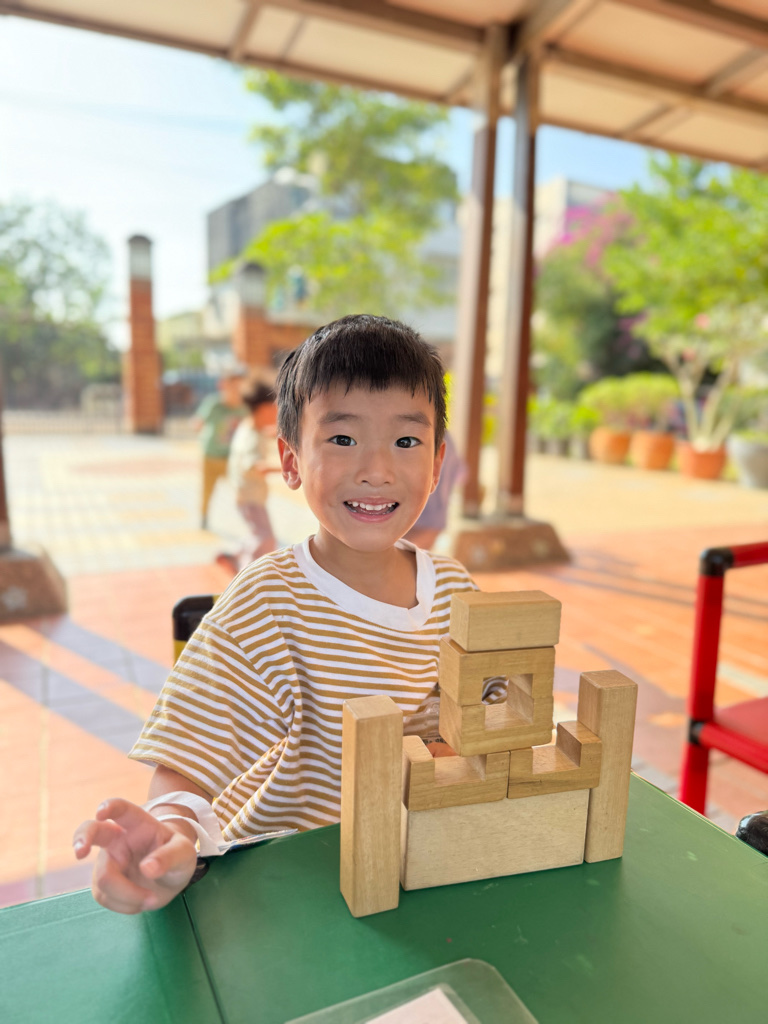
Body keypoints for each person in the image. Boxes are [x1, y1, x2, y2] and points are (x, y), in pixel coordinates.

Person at [73, 314, 503, 915]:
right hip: (283, 887)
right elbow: (188, 764)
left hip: (414, 878)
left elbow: (495, 720)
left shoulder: (457, 591)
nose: (377, 470)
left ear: (436, 466)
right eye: (343, 439)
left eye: (406, 442)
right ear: (291, 459)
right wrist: (169, 833)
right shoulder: (267, 602)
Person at [216, 379, 280, 574]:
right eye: (275, 409)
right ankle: (247, 573)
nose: (278, 413)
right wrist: (288, 468)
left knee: (257, 532)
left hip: (247, 495)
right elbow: (256, 466)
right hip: (250, 499)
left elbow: (264, 433)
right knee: (266, 538)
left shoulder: (249, 427)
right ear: (263, 410)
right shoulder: (251, 437)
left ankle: (235, 555)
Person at [192, 370, 247, 529]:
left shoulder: (244, 407)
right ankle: (203, 516)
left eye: (239, 388)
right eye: (232, 387)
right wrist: (197, 424)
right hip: (211, 455)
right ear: (223, 386)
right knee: (207, 489)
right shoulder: (214, 404)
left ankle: (249, 517)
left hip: (232, 458)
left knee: (241, 488)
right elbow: (199, 421)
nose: (236, 392)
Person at [405, 429, 465, 550]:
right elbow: (462, 474)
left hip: (414, 519)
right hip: (433, 521)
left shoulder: (410, 432)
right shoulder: (444, 436)